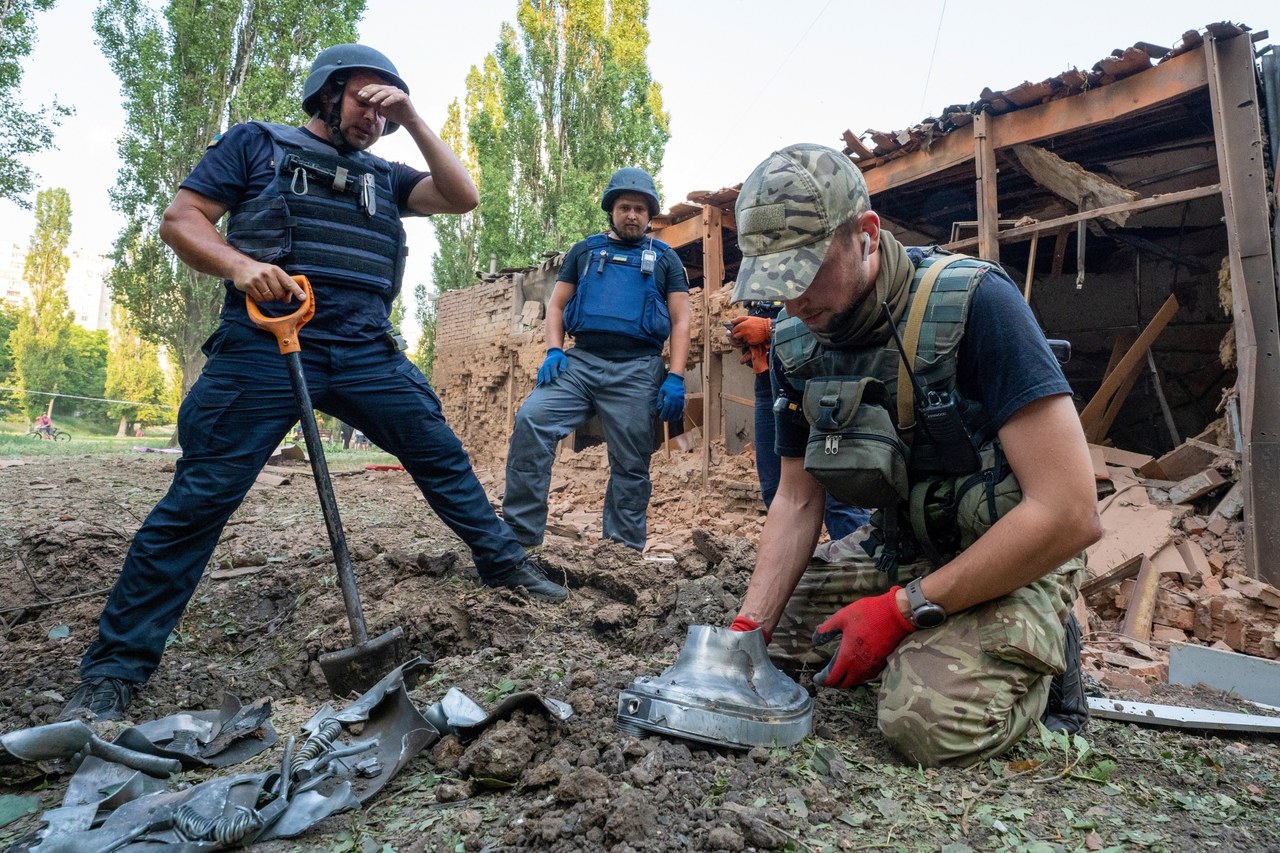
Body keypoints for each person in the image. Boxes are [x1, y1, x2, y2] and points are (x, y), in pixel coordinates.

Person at [60, 43, 566, 723]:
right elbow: (181, 221)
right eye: (367, 100)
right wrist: (239, 266)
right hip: (265, 339)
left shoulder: (384, 176)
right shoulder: (256, 145)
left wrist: (412, 119)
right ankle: (115, 666)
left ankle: (505, 564)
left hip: (363, 347)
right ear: (326, 92)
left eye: (387, 109)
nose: (375, 118)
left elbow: (461, 195)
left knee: (439, 451)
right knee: (201, 497)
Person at [727, 143, 1101, 767]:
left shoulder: (978, 303)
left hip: (1015, 553)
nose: (792, 302)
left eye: (807, 271)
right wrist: (749, 630)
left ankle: (1047, 653)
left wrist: (903, 614)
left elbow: (1070, 512)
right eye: (775, 282)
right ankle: (944, 635)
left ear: (866, 235)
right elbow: (796, 498)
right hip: (904, 548)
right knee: (776, 637)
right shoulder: (795, 343)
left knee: (920, 720)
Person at [503, 168, 690, 552]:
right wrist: (555, 350)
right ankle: (520, 539)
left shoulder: (667, 260)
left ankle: (619, 553)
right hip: (581, 363)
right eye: (625, 207)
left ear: (649, 214)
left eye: (640, 209)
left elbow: (682, 319)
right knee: (531, 420)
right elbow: (555, 306)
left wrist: (675, 376)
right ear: (612, 210)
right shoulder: (584, 252)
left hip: (638, 368)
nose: (632, 215)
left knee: (632, 461)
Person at [727, 311, 869, 539]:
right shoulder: (756, 280)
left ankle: (856, 566)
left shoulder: (817, 282)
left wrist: (771, 329)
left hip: (819, 378)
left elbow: (838, 320)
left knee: (839, 495)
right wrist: (747, 340)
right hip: (769, 382)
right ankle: (795, 569)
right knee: (777, 491)